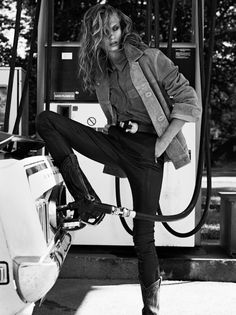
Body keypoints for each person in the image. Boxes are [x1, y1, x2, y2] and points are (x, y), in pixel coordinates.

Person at [36, 4, 201, 314]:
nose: (110, 36)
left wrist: (160, 145)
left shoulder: (149, 58)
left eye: (114, 28)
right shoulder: (101, 70)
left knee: (143, 237)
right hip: (116, 143)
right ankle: (86, 197)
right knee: (47, 120)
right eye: (102, 31)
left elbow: (190, 101)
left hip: (147, 153)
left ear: (123, 28)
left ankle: (150, 308)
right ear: (93, 36)